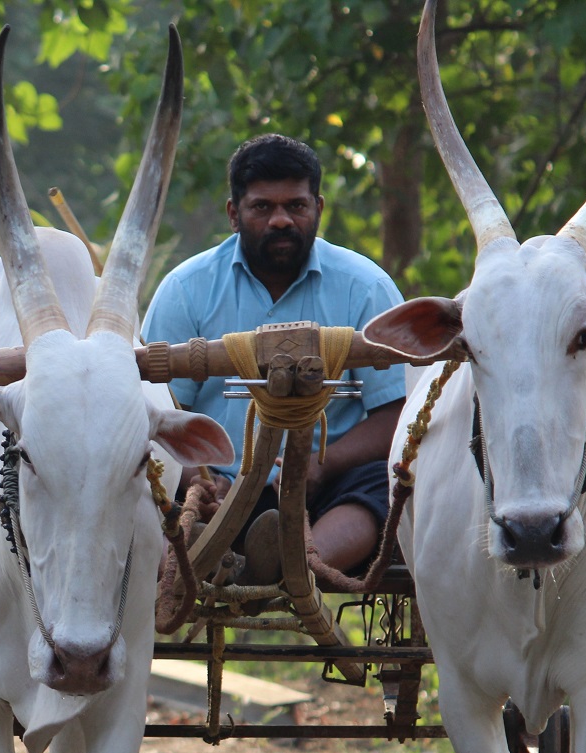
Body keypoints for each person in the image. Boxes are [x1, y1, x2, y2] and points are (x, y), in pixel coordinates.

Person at [141, 133, 405, 577]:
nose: (281, 220)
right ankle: (235, 547)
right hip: (218, 488)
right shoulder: (186, 290)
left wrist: (323, 464)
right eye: (263, 207)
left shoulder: (366, 287)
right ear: (233, 214)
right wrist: (196, 479)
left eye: (295, 206)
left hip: (330, 487)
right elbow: (156, 412)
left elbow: (397, 411)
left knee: (390, 482)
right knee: (144, 481)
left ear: (318, 209)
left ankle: (294, 563)